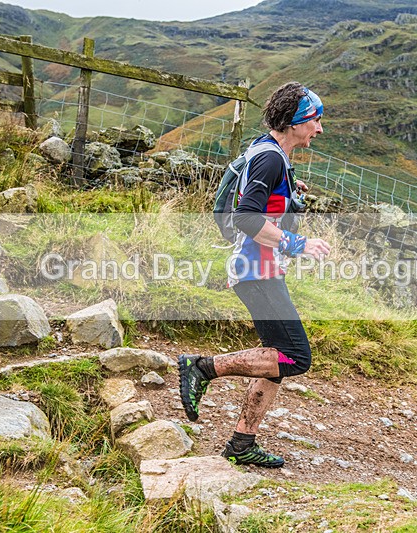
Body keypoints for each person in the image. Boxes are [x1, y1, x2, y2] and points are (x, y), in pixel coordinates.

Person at [178, 82, 330, 468]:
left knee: (274, 359)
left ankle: (242, 443)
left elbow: (259, 202)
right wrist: (297, 244)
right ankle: (202, 366)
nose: (320, 129)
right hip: (255, 270)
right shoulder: (271, 158)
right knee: (296, 357)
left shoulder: (272, 153)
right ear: (296, 121)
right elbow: (246, 217)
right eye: (315, 120)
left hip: (261, 269)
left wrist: (288, 191)